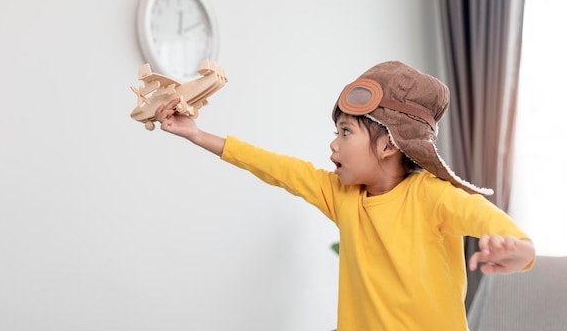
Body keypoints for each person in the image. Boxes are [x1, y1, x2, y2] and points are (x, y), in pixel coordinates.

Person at [152, 61, 535, 330]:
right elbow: (275, 167)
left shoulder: (433, 197)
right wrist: (198, 135)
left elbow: (486, 217)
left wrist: (520, 249)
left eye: (346, 132)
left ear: (388, 143)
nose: (333, 146)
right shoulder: (343, 195)